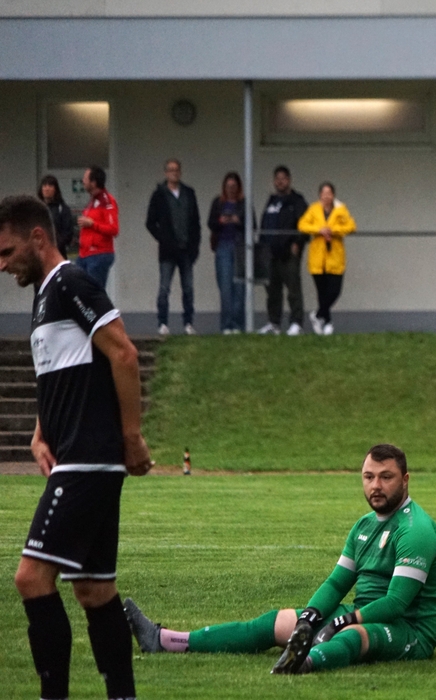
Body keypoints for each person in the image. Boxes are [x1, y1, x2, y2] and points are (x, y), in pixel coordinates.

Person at [0, 194, 153, 700]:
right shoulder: (45, 294)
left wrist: (131, 437)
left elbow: (123, 354)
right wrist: (40, 430)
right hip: (77, 456)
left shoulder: (70, 282)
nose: (2, 265)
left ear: (37, 237)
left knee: (31, 578)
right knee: (94, 589)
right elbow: (62, 370)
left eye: (7, 252)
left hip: (89, 457)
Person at [123, 443, 436, 674]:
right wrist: (310, 617)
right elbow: (337, 583)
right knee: (274, 622)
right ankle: (165, 640)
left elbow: (396, 603)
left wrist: (340, 621)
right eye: (368, 476)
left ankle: (301, 663)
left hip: (409, 629)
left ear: (405, 480)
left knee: (352, 636)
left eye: (386, 477)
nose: (376, 485)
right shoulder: (364, 526)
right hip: (361, 613)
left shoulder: (415, 530)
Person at [145, 158, 202, 336]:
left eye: (176, 169)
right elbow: (150, 222)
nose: (174, 173)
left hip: (186, 249)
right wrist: (163, 238)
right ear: (165, 173)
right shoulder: (159, 195)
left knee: (188, 288)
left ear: (180, 172)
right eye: (170, 170)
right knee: (164, 288)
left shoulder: (189, 193)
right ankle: (163, 323)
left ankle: (188, 323)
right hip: (168, 251)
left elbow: (196, 222)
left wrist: (195, 246)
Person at [298, 181, 356, 335]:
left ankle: (317, 315)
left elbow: (351, 226)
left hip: (335, 257)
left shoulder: (340, 209)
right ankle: (327, 323)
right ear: (319, 195)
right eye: (323, 193)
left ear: (333, 195)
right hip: (318, 258)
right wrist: (319, 230)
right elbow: (302, 225)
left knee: (335, 291)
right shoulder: (313, 209)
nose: (326, 196)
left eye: (329, 193)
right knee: (322, 293)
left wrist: (333, 230)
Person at [257, 166, 309, 336]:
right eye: (277, 179)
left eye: (283, 178)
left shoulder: (297, 201)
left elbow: (305, 225)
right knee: (272, 291)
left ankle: (296, 323)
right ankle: (274, 323)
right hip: (270, 253)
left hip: (289, 253)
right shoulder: (271, 202)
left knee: (293, 289)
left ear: (289, 180)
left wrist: (298, 243)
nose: (280, 182)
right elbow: (264, 225)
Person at [207, 171, 252, 334]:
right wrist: (221, 221)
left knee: (240, 287)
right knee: (225, 287)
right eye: (228, 186)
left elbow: (252, 225)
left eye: (234, 186)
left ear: (238, 187)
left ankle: (238, 325)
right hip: (223, 246)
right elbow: (211, 223)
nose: (231, 189)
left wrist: (238, 221)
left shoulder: (244, 204)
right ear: (224, 187)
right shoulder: (218, 203)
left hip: (240, 247)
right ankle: (226, 325)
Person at [76, 165, 119, 289]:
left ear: (93, 183)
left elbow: (114, 229)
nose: (83, 181)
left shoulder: (107, 201)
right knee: (79, 291)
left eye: (85, 178)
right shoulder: (92, 201)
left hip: (98, 254)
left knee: (93, 293)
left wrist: (92, 224)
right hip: (84, 255)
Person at [37, 174, 76, 258]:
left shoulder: (62, 208)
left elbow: (68, 233)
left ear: (55, 189)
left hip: (57, 254)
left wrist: (54, 246)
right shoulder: (36, 208)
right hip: (39, 254)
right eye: (44, 186)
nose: (47, 188)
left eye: (50, 186)